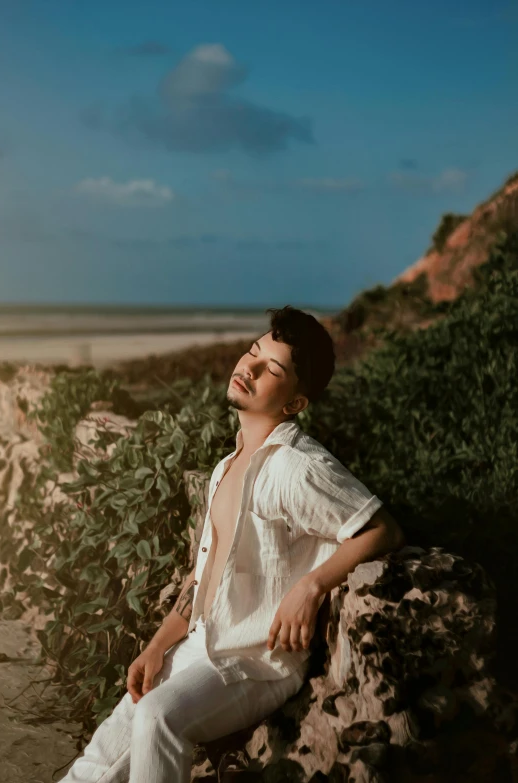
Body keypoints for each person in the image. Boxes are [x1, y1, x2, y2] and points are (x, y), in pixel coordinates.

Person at [58, 305, 405, 783]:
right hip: (201, 642)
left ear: (294, 403)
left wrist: (311, 587)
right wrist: (158, 645)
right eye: (252, 352)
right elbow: (205, 577)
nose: (250, 367)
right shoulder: (227, 466)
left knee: (158, 717)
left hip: (256, 660)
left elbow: (382, 527)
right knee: (98, 759)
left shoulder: (295, 467)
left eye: (272, 369)